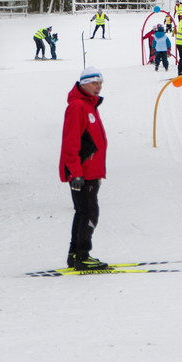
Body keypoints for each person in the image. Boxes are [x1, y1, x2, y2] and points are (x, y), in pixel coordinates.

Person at [59, 66, 109, 270]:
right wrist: (76, 173)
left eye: (100, 83)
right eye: (94, 83)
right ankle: (82, 255)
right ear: (83, 84)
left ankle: (75, 255)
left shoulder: (89, 106)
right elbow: (70, 142)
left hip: (91, 171)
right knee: (89, 212)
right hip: (82, 172)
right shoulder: (78, 106)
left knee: (83, 212)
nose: (99, 87)